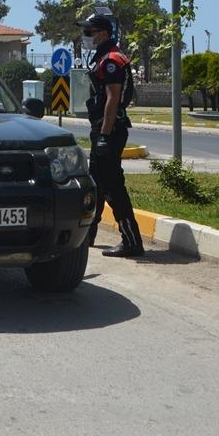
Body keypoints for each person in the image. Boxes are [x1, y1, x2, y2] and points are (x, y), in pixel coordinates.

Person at [79, 13, 144, 257]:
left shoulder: (111, 60)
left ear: (103, 33)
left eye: (90, 32)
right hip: (102, 129)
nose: (86, 36)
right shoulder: (103, 57)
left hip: (110, 129)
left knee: (113, 187)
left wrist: (105, 134)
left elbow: (112, 98)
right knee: (95, 184)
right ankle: (87, 235)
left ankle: (131, 241)